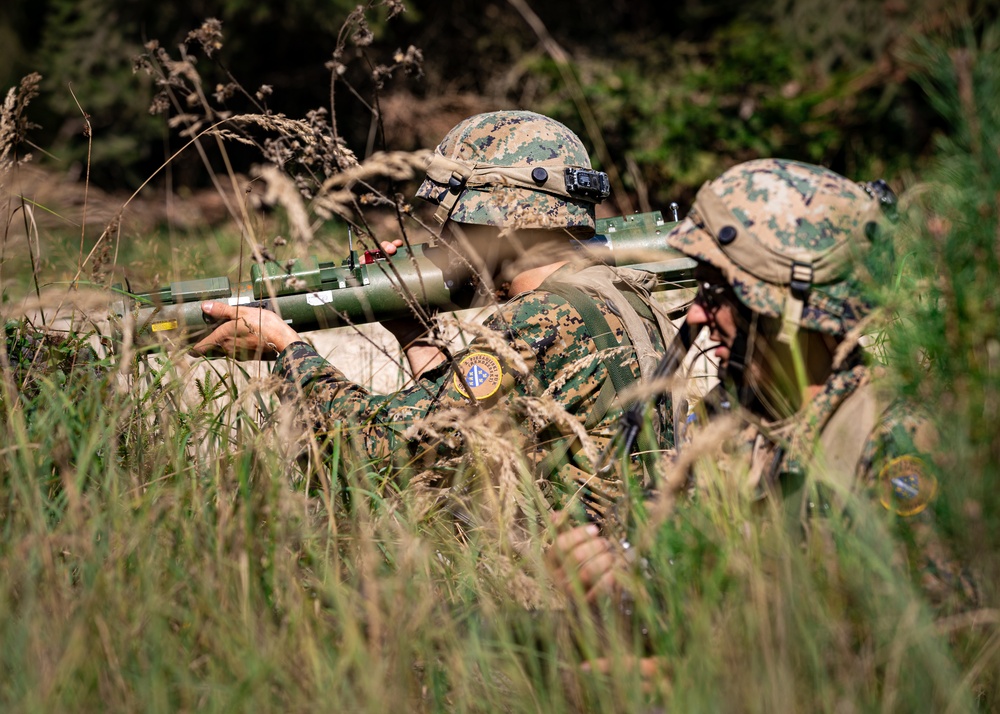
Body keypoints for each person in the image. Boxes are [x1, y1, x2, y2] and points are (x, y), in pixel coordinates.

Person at [191, 110, 680, 525]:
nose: (444, 236)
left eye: (455, 217)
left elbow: (387, 457)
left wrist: (288, 354)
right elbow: (471, 425)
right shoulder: (618, 292)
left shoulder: (537, 318)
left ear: (498, 221)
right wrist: (417, 337)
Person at [550, 158, 976, 610]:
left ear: (788, 308)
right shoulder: (724, 423)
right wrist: (608, 584)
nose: (695, 314)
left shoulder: (892, 439)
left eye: (720, 294)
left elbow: (941, 642)